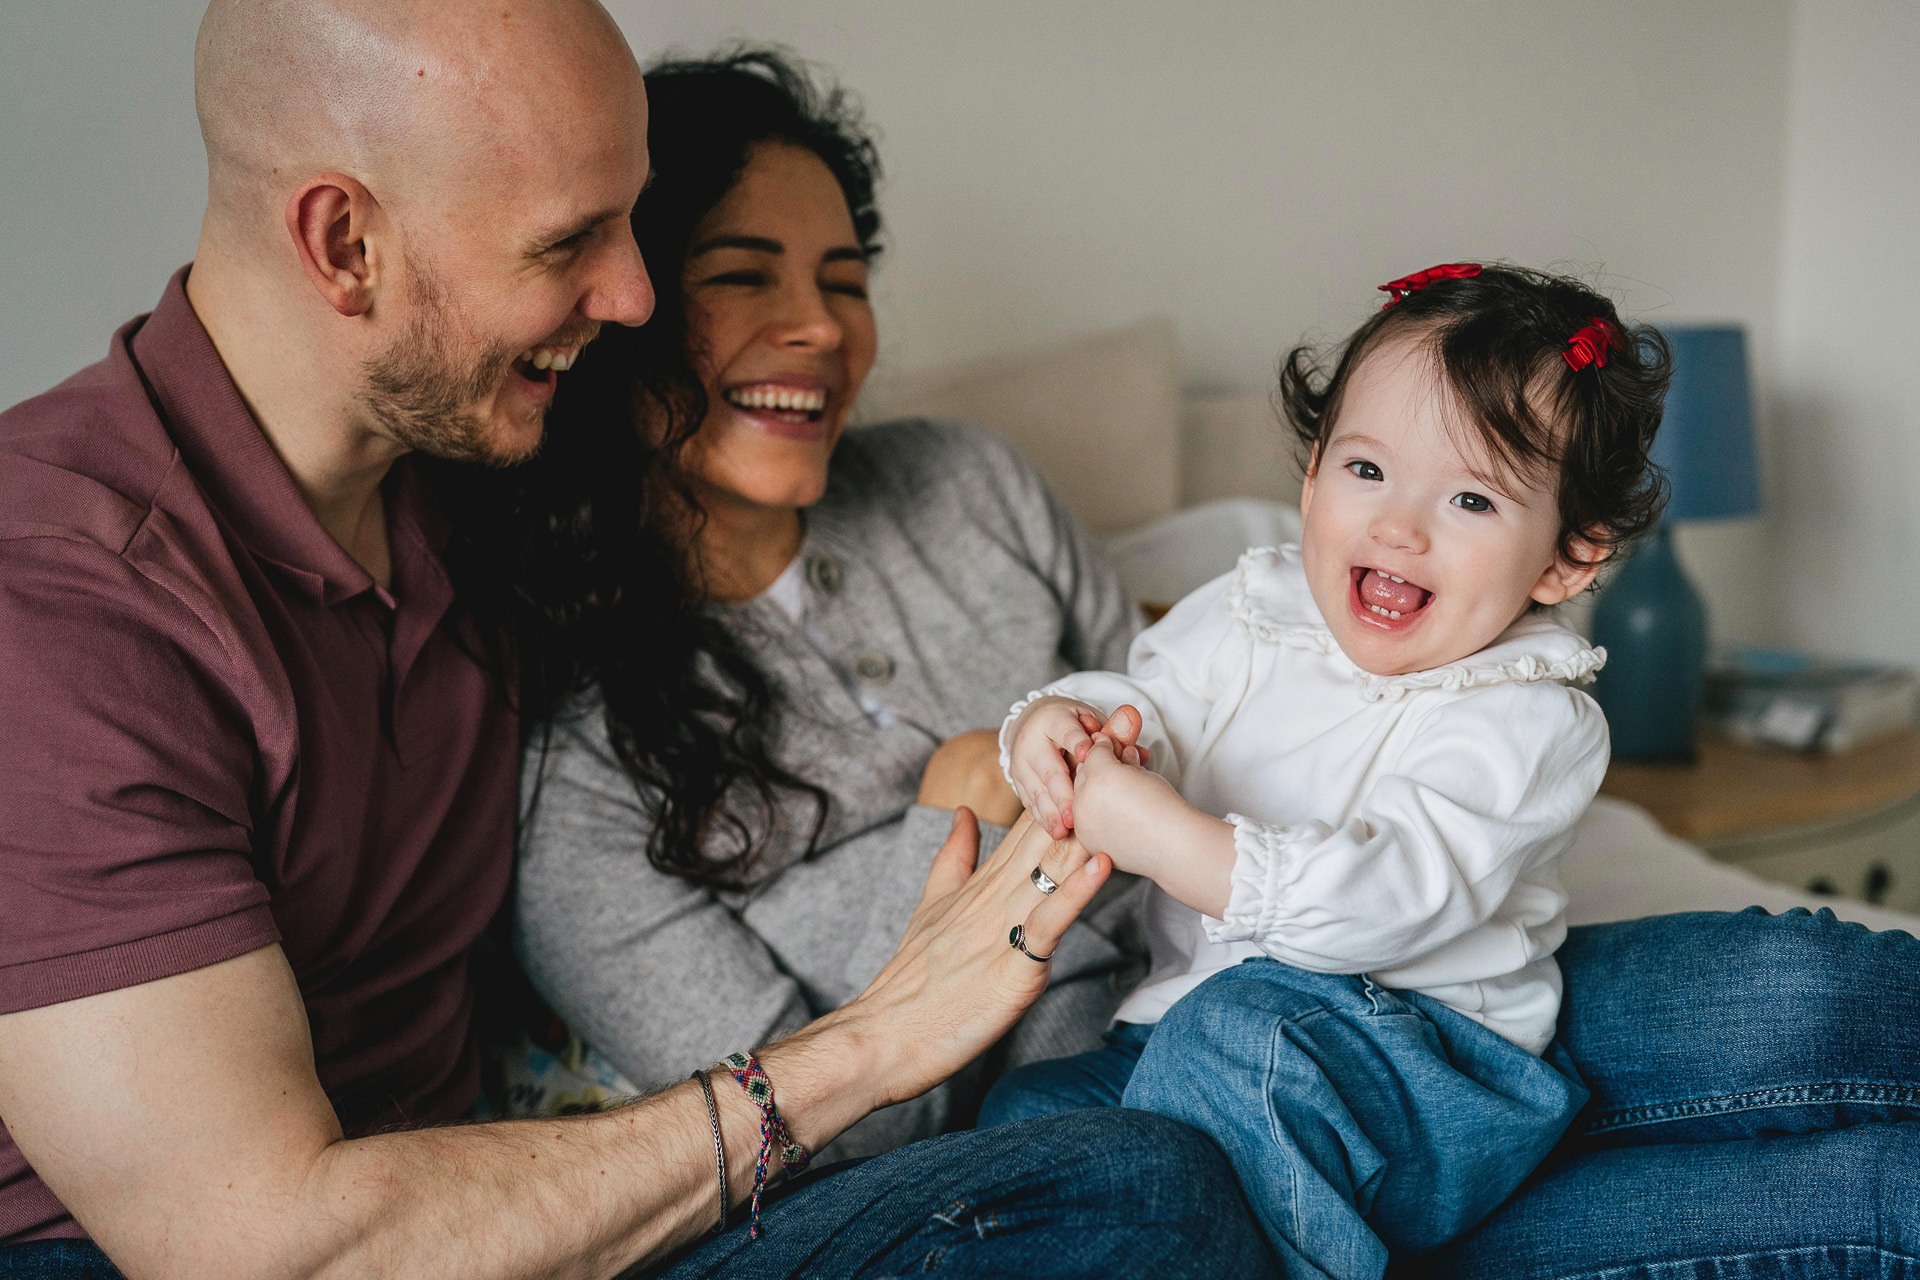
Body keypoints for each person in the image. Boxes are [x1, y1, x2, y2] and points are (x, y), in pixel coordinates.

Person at [0, 5, 1278, 1278]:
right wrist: (885, 1030)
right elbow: (260, 1244)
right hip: (170, 1257)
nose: (628, 300)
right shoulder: (59, 607)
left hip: (510, 1199)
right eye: (572, 241)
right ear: (346, 245)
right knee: (1136, 1192)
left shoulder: (480, 503)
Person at [989, 264, 1920, 1274]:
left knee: (1243, 1032)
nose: (1399, 525)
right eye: (1366, 470)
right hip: (1183, 1038)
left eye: (1471, 496)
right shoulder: (1249, 608)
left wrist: (1170, 837)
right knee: (1021, 1122)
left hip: (1428, 1068)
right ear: (1310, 479)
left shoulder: (1530, 714)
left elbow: (1384, 895)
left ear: (1566, 558)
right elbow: (1153, 711)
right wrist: (1064, 722)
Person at [463, 48, 1147, 1153]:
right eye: (741, 273)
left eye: (843, 278)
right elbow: (818, 1136)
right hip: (1003, 1173)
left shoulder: (974, 482)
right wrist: (955, 809)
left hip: (1220, 1012)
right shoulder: (571, 766)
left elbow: (1199, 743)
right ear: (620, 304)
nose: (821, 326)